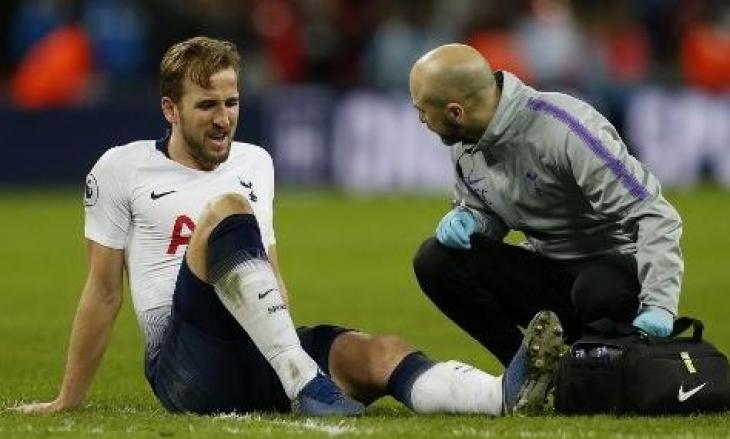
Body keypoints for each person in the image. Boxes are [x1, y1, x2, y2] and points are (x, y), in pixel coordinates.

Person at [13, 37, 562, 418]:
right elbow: (104, 292)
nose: (223, 118)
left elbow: (269, 270)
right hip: (185, 364)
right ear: (170, 110)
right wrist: (68, 398)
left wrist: (289, 343)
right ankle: (305, 382)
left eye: (231, 102)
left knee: (381, 352)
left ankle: (504, 396)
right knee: (228, 209)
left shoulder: (256, 161)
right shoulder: (120, 168)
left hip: (265, 350)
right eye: (206, 105)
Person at [409, 44, 683, 367]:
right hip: (549, 271)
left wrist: (660, 306)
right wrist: (471, 220)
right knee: (435, 260)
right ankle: (527, 372)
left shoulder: (567, 130)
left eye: (422, 110)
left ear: (455, 112)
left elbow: (653, 211)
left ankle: (614, 360)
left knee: (597, 291)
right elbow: (486, 211)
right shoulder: (467, 143)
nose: (421, 119)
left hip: (614, 271)